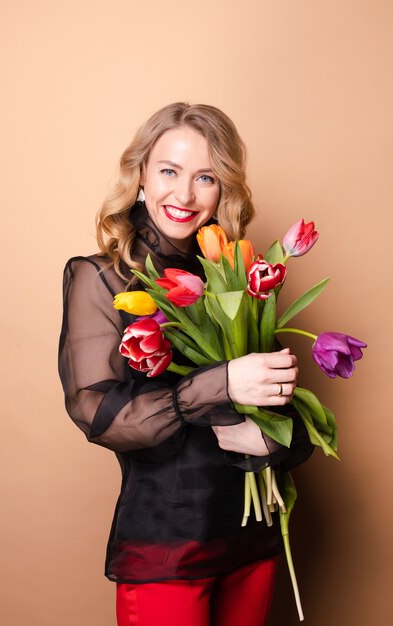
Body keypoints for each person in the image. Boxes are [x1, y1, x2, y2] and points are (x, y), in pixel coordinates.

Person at [58, 102, 314, 626]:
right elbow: (97, 413)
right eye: (169, 171)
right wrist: (222, 383)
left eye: (206, 177)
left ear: (224, 191)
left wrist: (274, 440)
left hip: (252, 537)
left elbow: (287, 411)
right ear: (142, 178)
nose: (185, 194)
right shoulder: (101, 277)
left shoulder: (237, 274)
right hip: (167, 549)